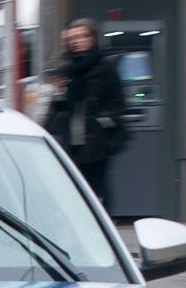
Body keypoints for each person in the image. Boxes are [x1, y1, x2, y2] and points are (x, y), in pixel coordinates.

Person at [43, 18, 125, 211]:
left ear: (92, 38)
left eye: (82, 36)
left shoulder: (105, 68)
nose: (77, 41)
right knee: (72, 190)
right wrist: (58, 93)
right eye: (72, 38)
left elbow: (117, 104)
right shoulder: (65, 70)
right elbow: (57, 107)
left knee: (97, 189)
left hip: (96, 142)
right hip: (70, 142)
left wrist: (103, 124)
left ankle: (102, 222)